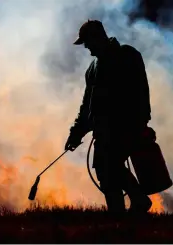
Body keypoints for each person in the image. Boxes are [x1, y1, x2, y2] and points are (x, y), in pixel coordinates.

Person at [65, 20, 153, 214]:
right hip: (103, 130)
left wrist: (141, 121)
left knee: (110, 166)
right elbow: (87, 105)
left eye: (87, 41)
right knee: (105, 172)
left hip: (126, 126)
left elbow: (140, 91)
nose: (86, 46)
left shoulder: (127, 56)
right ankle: (120, 214)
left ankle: (137, 201)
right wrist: (76, 133)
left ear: (98, 37)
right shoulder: (92, 69)